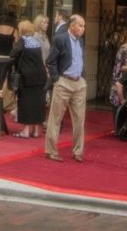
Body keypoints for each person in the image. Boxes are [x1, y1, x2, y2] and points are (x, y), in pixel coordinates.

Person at [45, 14, 87, 162]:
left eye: (83, 26)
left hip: (79, 83)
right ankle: (51, 150)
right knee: (56, 118)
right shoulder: (60, 39)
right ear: (72, 25)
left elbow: (79, 59)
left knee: (80, 119)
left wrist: (82, 77)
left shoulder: (80, 41)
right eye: (80, 25)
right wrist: (56, 79)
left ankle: (78, 151)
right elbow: (50, 61)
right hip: (64, 81)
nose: (83, 28)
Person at [8, 19, 47, 138]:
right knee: (37, 103)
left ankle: (25, 130)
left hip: (27, 77)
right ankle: (35, 130)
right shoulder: (36, 41)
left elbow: (13, 54)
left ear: (21, 30)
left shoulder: (22, 41)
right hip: (40, 76)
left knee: (26, 103)